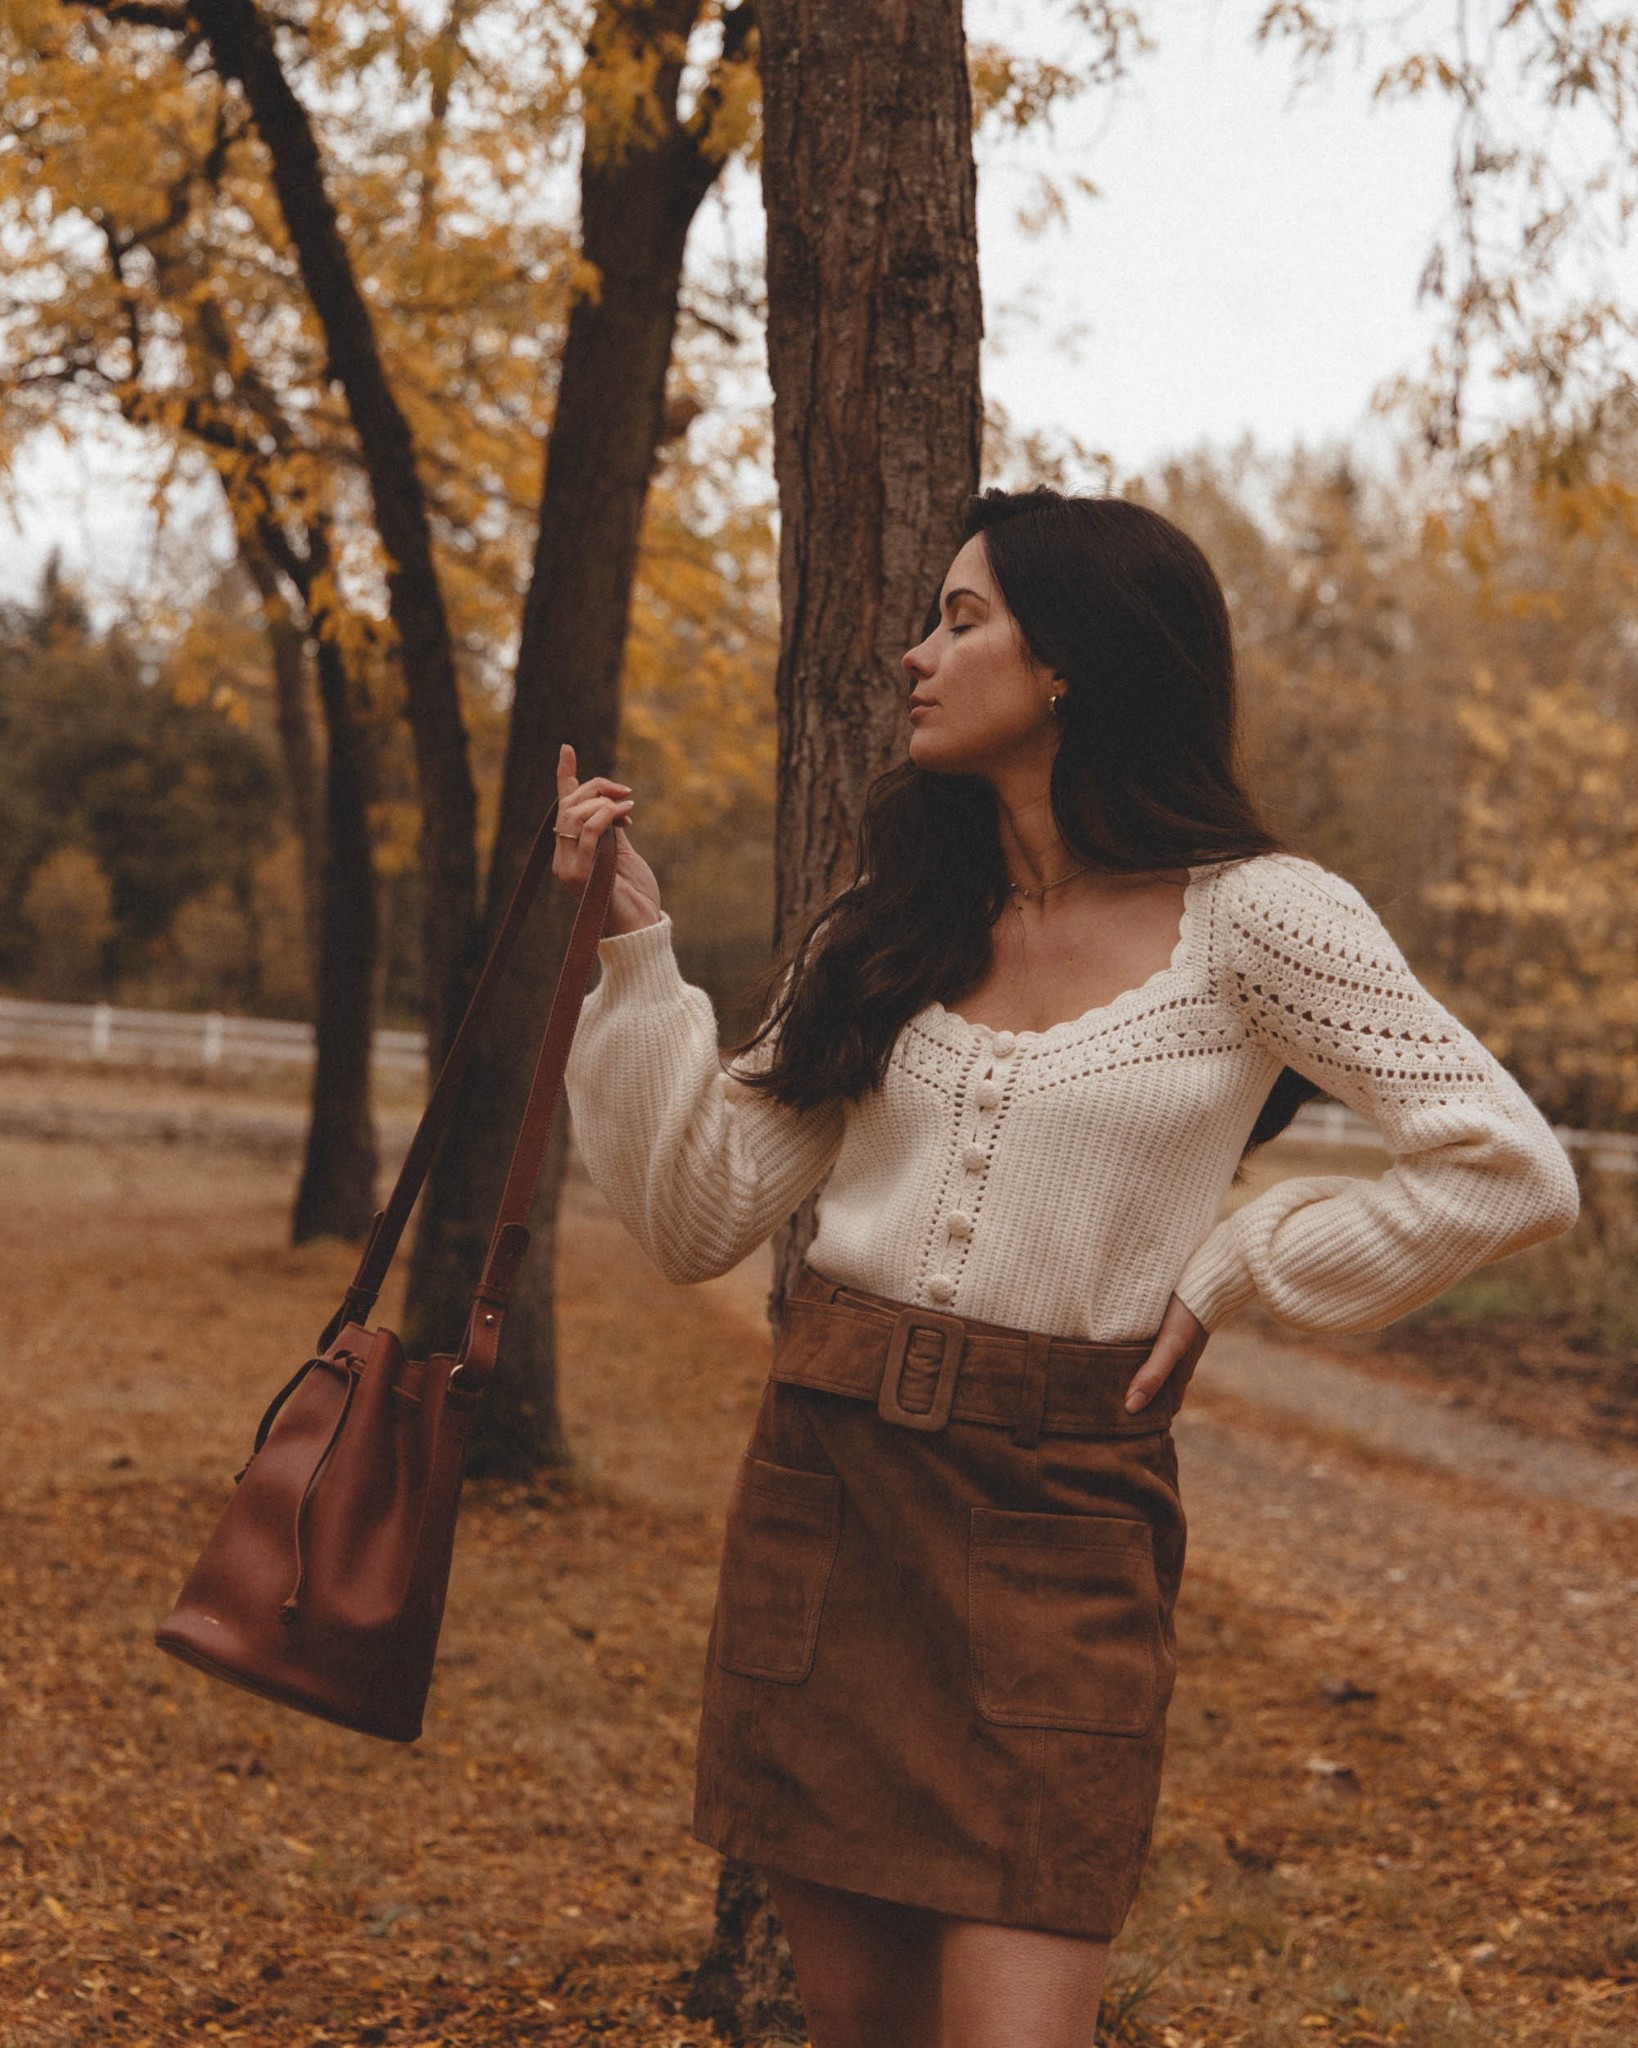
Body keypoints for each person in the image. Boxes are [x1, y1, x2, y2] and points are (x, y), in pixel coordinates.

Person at [552, 487, 1580, 2048]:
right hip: (828, 1496)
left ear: (1071, 669)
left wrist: (1239, 1265)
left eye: (962, 620)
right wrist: (630, 953)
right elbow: (697, 1212)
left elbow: (1508, 1167)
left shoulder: (1260, 924)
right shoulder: (887, 923)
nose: (914, 653)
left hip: (1059, 1515)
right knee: (858, 2027)